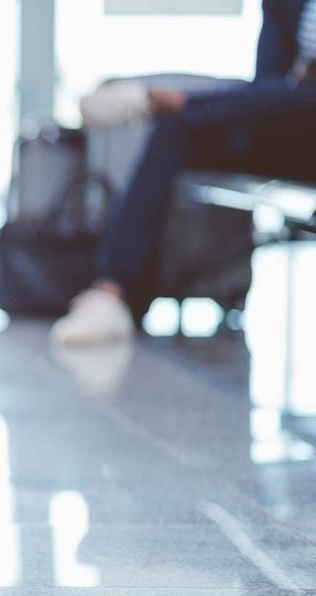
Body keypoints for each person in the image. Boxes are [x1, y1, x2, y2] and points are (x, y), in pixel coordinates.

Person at [51, 0, 316, 346]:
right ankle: (112, 292)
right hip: (294, 130)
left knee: (203, 109)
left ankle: (169, 100)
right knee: (178, 129)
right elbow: (269, 83)